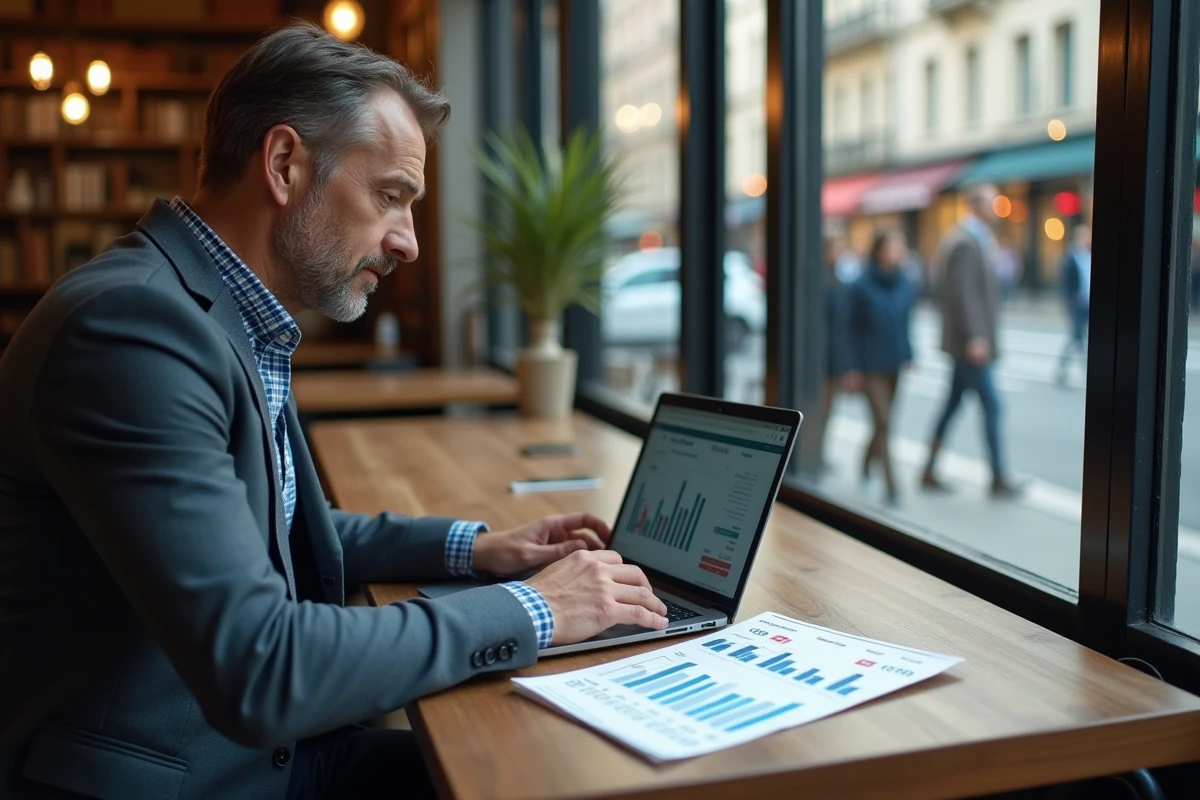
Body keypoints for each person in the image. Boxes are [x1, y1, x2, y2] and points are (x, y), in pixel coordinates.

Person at [0, 24, 669, 800]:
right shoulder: (131, 332)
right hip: (177, 779)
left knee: (551, 767)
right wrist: (537, 608)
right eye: (391, 196)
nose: (409, 243)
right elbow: (263, 668)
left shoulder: (214, 313)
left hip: (247, 757)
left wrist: (478, 551)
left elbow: (267, 529)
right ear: (285, 165)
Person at [921, 183, 1025, 498]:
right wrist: (975, 337)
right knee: (992, 405)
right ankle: (998, 477)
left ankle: (928, 469)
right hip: (970, 345)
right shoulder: (966, 242)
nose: (997, 208)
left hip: (968, 343)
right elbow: (962, 294)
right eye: (994, 203)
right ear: (977, 206)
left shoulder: (972, 238)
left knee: (953, 405)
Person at [843, 230, 917, 508]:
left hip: (894, 363)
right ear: (879, 250)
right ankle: (892, 486)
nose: (898, 252)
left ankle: (864, 464)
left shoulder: (904, 283)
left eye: (901, 246)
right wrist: (850, 368)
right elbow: (848, 330)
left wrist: (909, 353)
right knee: (884, 423)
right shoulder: (861, 285)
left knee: (882, 424)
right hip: (869, 366)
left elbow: (906, 322)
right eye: (892, 246)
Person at [1057, 224, 1091, 385]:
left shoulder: (1088, 255)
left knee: (1080, 337)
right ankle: (1065, 367)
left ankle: (1083, 366)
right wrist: (1069, 303)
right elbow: (1065, 283)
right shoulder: (1071, 257)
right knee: (1076, 336)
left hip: (1087, 303)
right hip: (1077, 304)